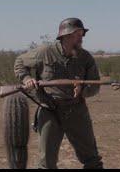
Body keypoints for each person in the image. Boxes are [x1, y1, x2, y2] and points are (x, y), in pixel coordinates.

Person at [14, 17, 103, 169]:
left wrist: (83, 90)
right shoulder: (45, 52)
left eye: (82, 35)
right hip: (49, 110)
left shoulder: (86, 58)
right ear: (66, 36)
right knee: (46, 163)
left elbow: (95, 86)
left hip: (76, 111)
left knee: (92, 159)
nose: (81, 38)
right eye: (78, 34)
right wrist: (27, 78)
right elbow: (20, 62)